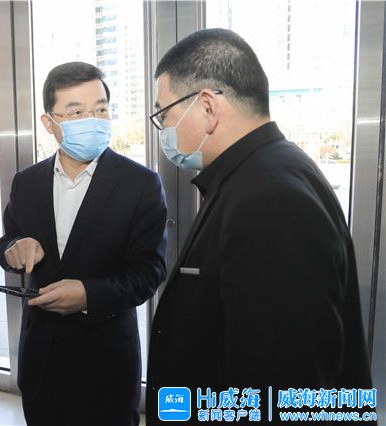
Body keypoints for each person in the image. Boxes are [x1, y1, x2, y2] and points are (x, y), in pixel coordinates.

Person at [146, 29, 375, 424]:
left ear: (207, 107)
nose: (164, 129)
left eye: (164, 114)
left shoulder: (270, 200)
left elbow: (281, 391)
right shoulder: (262, 172)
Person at [0, 61, 167, 426]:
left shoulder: (141, 184)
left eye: (100, 110)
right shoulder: (26, 182)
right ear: (49, 123)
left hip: (106, 364)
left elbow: (149, 272)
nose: (93, 120)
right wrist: (15, 249)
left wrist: (89, 295)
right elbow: (8, 241)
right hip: (41, 360)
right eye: (76, 112)